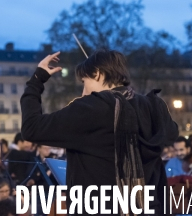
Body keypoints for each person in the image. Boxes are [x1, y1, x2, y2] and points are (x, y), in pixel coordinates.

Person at [20, 50, 179, 215]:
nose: (83, 91)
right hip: (148, 207)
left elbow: (31, 128)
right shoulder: (153, 107)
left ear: (97, 74)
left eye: (84, 81)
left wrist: (37, 80)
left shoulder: (90, 109)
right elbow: (172, 132)